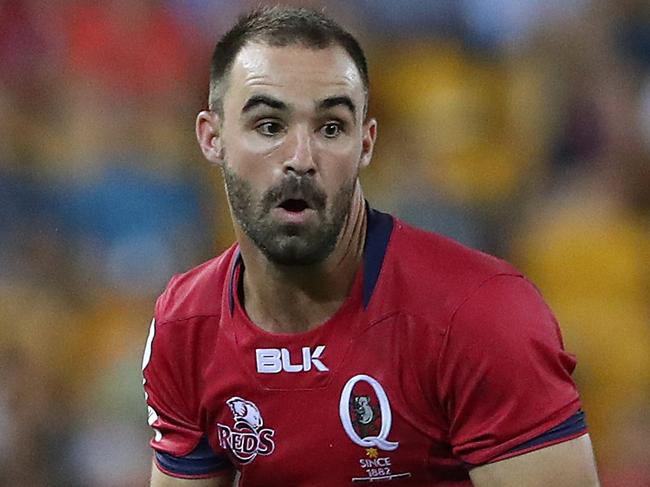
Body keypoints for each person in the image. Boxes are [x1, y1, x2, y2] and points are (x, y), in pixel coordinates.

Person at [142, 6, 601, 486]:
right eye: (269, 127)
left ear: (366, 143)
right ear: (212, 138)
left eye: (332, 128)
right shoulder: (186, 326)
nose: (300, 159)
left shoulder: (477, 314)